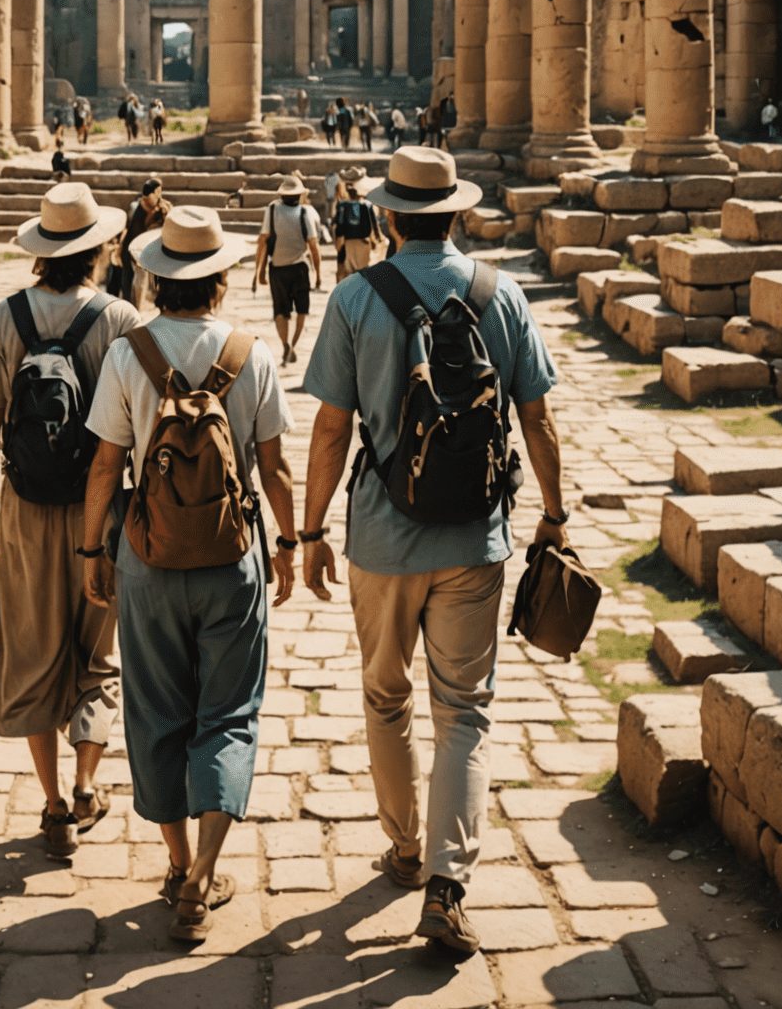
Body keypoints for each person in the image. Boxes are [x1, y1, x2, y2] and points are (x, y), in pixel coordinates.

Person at [299, 146, 565, 957]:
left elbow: (331, 427)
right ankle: (449, 884)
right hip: (474, 535)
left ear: (385, 215)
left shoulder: (352, 297)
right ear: (457, 213)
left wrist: (307, 531)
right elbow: (538, 419)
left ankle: (405, 848)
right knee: (465, 712)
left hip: (382, 537)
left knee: (386, 696)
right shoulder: (502, 293)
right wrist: (555, 515)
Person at [79, 207, 302, 942]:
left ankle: (176, 864)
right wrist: (290, 544)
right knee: (229, 713)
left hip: (147, 555)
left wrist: (92, 552)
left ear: (156, 277)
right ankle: (207, 871)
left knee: (157, 711)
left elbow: (107, 465)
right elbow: (273, 466)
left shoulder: (128, 353)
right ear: (223, 280)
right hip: (231, 557)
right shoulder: (252, 353)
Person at [0, 184, 139, 860]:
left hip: (26, 507)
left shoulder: (7, 316)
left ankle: (55, 804)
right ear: (101, 249)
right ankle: (89, 783)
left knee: (33, 649)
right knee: (98, 653)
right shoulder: (121, 318)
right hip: (102, 511)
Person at [255, 174, 323, 368]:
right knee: (302, 309)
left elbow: (263, 240)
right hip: (300, 268)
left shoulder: (272, 209)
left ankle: (285, 344)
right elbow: (314, 245)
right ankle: (293, 343)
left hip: (277, 268)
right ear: (299, 195)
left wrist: (258, 271)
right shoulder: (305, 213)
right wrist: (318, 274)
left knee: (280, 309)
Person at [118, 177, 168, 310]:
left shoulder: (161, 208)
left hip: (149, 249)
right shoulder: (137, 208)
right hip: (134, 250)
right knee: (136, 283)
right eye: (157, 192)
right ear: (150, 194)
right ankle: (134, 310)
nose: (159, 196)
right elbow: (134, 231)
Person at [332, 168, 383, 283]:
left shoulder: (343, 203)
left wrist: (339, 238)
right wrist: (376, 238)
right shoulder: (366, 203)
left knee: (346, 271)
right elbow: (373, 222)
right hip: (363, 240)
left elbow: (339, 223)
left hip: (348, 241)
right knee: (363, 272)